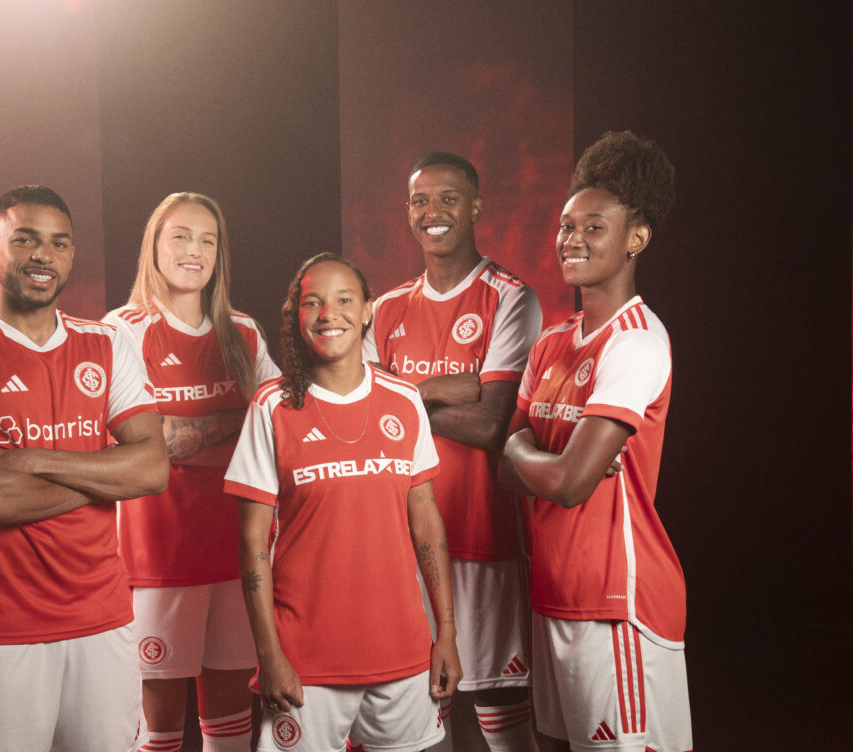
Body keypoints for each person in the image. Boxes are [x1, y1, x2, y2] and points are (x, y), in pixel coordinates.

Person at [0, 185, 169, 752]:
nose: (43, 256)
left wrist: (35, 461)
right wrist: (107, 476)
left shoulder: (108, 344)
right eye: (25, 240)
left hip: (105, 621)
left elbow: (153, 470)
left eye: (59, 243)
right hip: (4, 631)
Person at [500, 132, 692, 751]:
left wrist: (525, 452)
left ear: (637, 238)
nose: (572, 239)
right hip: (553, 594)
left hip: (618, 602)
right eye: (566, 225)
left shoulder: (635, 342)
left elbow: (569, 484)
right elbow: (510, 469)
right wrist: (533, 457)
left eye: (594, 227)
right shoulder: (552, 342)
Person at [226, 252, 461, 752]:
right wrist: (269, 655)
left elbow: (426, 524)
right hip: (305, 660)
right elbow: (251, 543)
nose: (328, 313)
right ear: (296, 316)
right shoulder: (272, 406)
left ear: (368, 309)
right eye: (313, 302)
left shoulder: (404, 400)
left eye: (344, 299)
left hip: (402, 650)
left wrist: (446, 633)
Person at [363, 153, 542, 751]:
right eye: (420, 200)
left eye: (448, 198)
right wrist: (445, 387)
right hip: (406, 538)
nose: (432, 211)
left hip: (485, 535)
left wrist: (405, 393)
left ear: (476, 208)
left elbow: (493, 424)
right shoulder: (385, 308)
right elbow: (367, 420)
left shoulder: (511, 298)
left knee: (499, 703)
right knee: (416, 702)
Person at [103, 193, 280, 752]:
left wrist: (181, 438)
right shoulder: (122, 330)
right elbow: (143, 446)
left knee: (230, 726)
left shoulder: (242, 331)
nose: (194, 250)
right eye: (180, 235)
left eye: (207, 239)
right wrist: (234, 426)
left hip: (237, 553)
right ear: (153, 246)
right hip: (156, 558)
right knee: (157, 731)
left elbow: (278, 430)